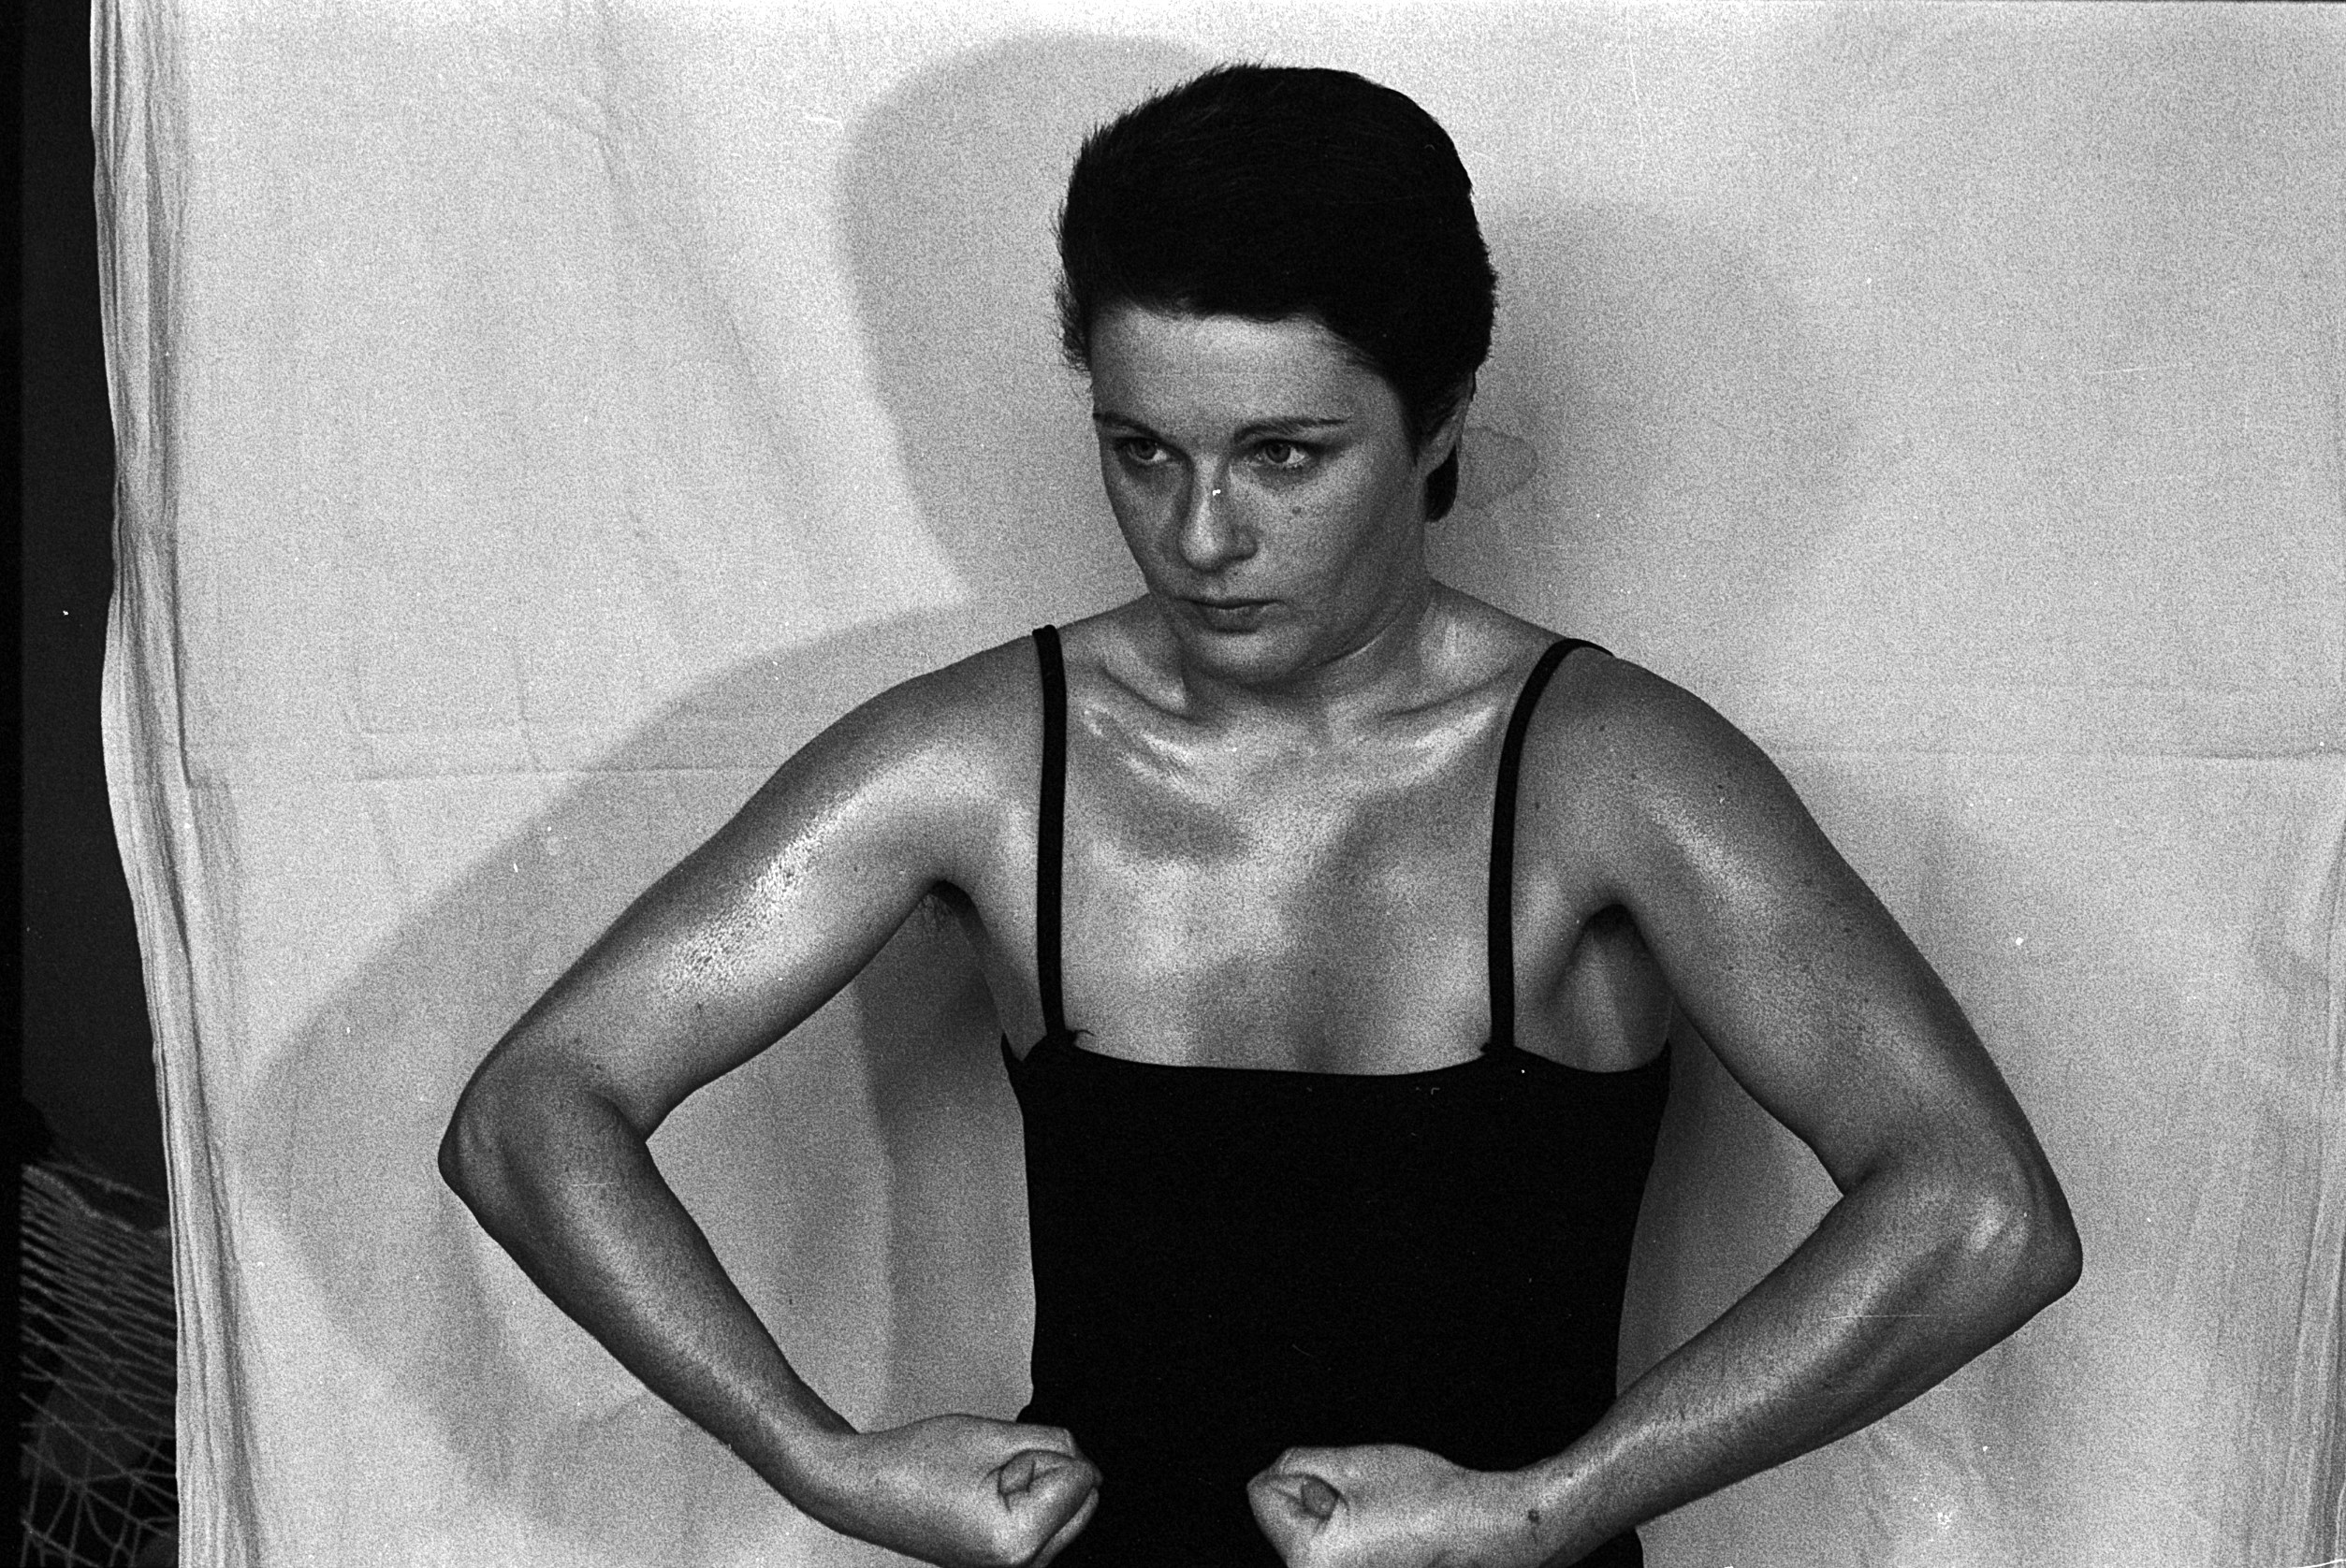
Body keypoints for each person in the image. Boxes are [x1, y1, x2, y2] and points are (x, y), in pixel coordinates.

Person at [441, 64, 2081, 1568]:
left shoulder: (1609, 773)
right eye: (1141, 451)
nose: (1202, 534)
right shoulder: (984, 760)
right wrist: (816, 1458)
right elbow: (535, 1109)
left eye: (1284, 456)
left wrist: (1540, 1510)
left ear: (1438, 423)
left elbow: (1978, 1210)